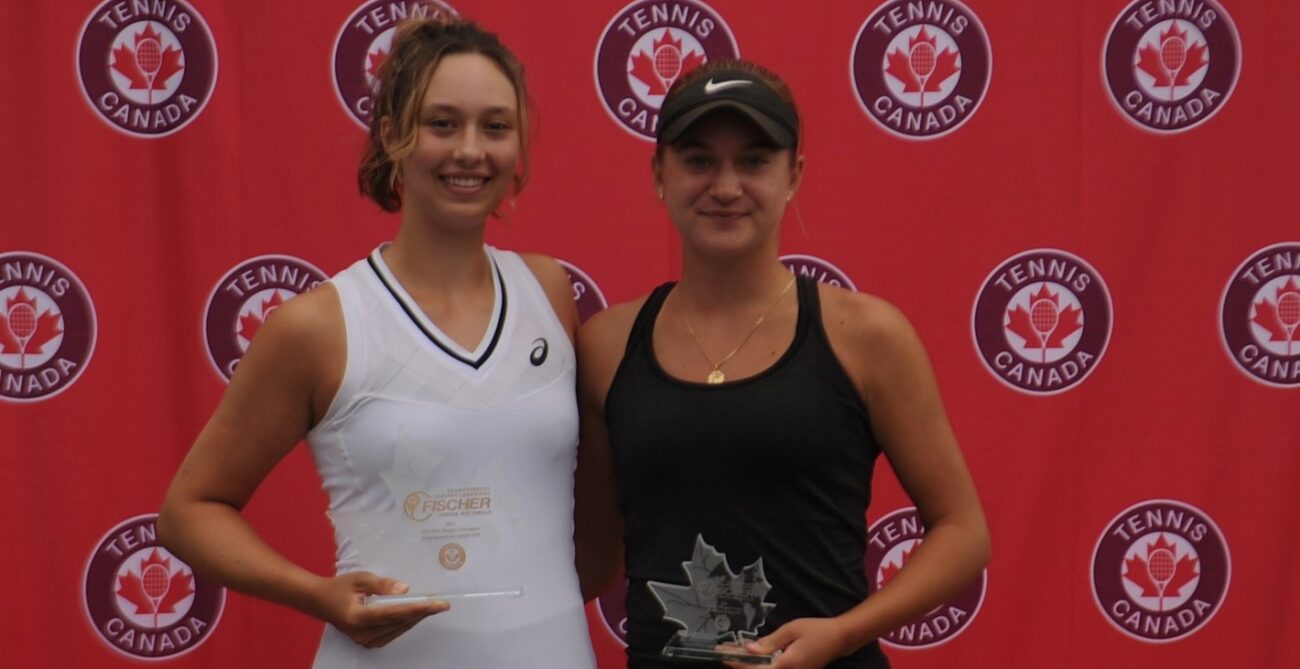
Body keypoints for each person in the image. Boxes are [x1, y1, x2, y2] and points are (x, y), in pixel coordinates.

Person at [158, 19, 596, 669]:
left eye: (496, 126)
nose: (471, 150)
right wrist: (316, 594)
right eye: (443, 123)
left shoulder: (547, 290)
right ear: (391, 135)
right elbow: (189, 511)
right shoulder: (321, 325)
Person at [574, 59, 990, 669]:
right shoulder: (606, 346)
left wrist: (843, 633)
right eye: (697, 160)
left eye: (754, 160)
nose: (725, 186)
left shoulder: (866, 336)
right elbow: (590, 558)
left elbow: (963, 532)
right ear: (658, 173)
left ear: (793, 174)